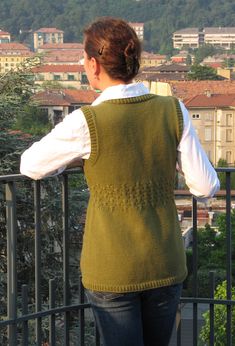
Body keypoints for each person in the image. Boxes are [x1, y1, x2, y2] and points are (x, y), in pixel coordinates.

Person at [20, 17, 220, 346]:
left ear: (95, 64)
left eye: (83, 59)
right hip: (165, 263)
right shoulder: (174, 110)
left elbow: (31, 165)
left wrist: (77, 157)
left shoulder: (87, 122)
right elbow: (205, 186)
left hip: (112, 270)